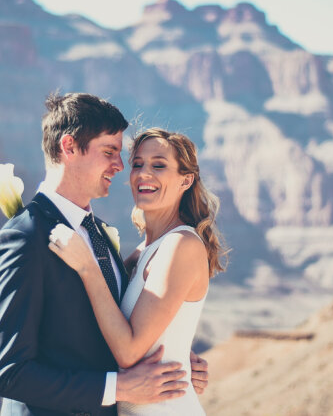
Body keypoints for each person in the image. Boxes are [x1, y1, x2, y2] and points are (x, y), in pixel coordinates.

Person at [0, 93, 209, 416]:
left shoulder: (101, 237)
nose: (120, 167)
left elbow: (116, 325)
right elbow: (10, 373)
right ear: (69, 147)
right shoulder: (24, 237)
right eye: (110, 153)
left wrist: (174, 354)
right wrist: (118, 387)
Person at [49, 128, 226, 416]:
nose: (144, 173)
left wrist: (88, 268)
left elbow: (129, 351)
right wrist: (181, 355)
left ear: (186, 179)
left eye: (159, 165)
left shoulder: (182, 245)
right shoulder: (144, 251)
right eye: (138, 164)